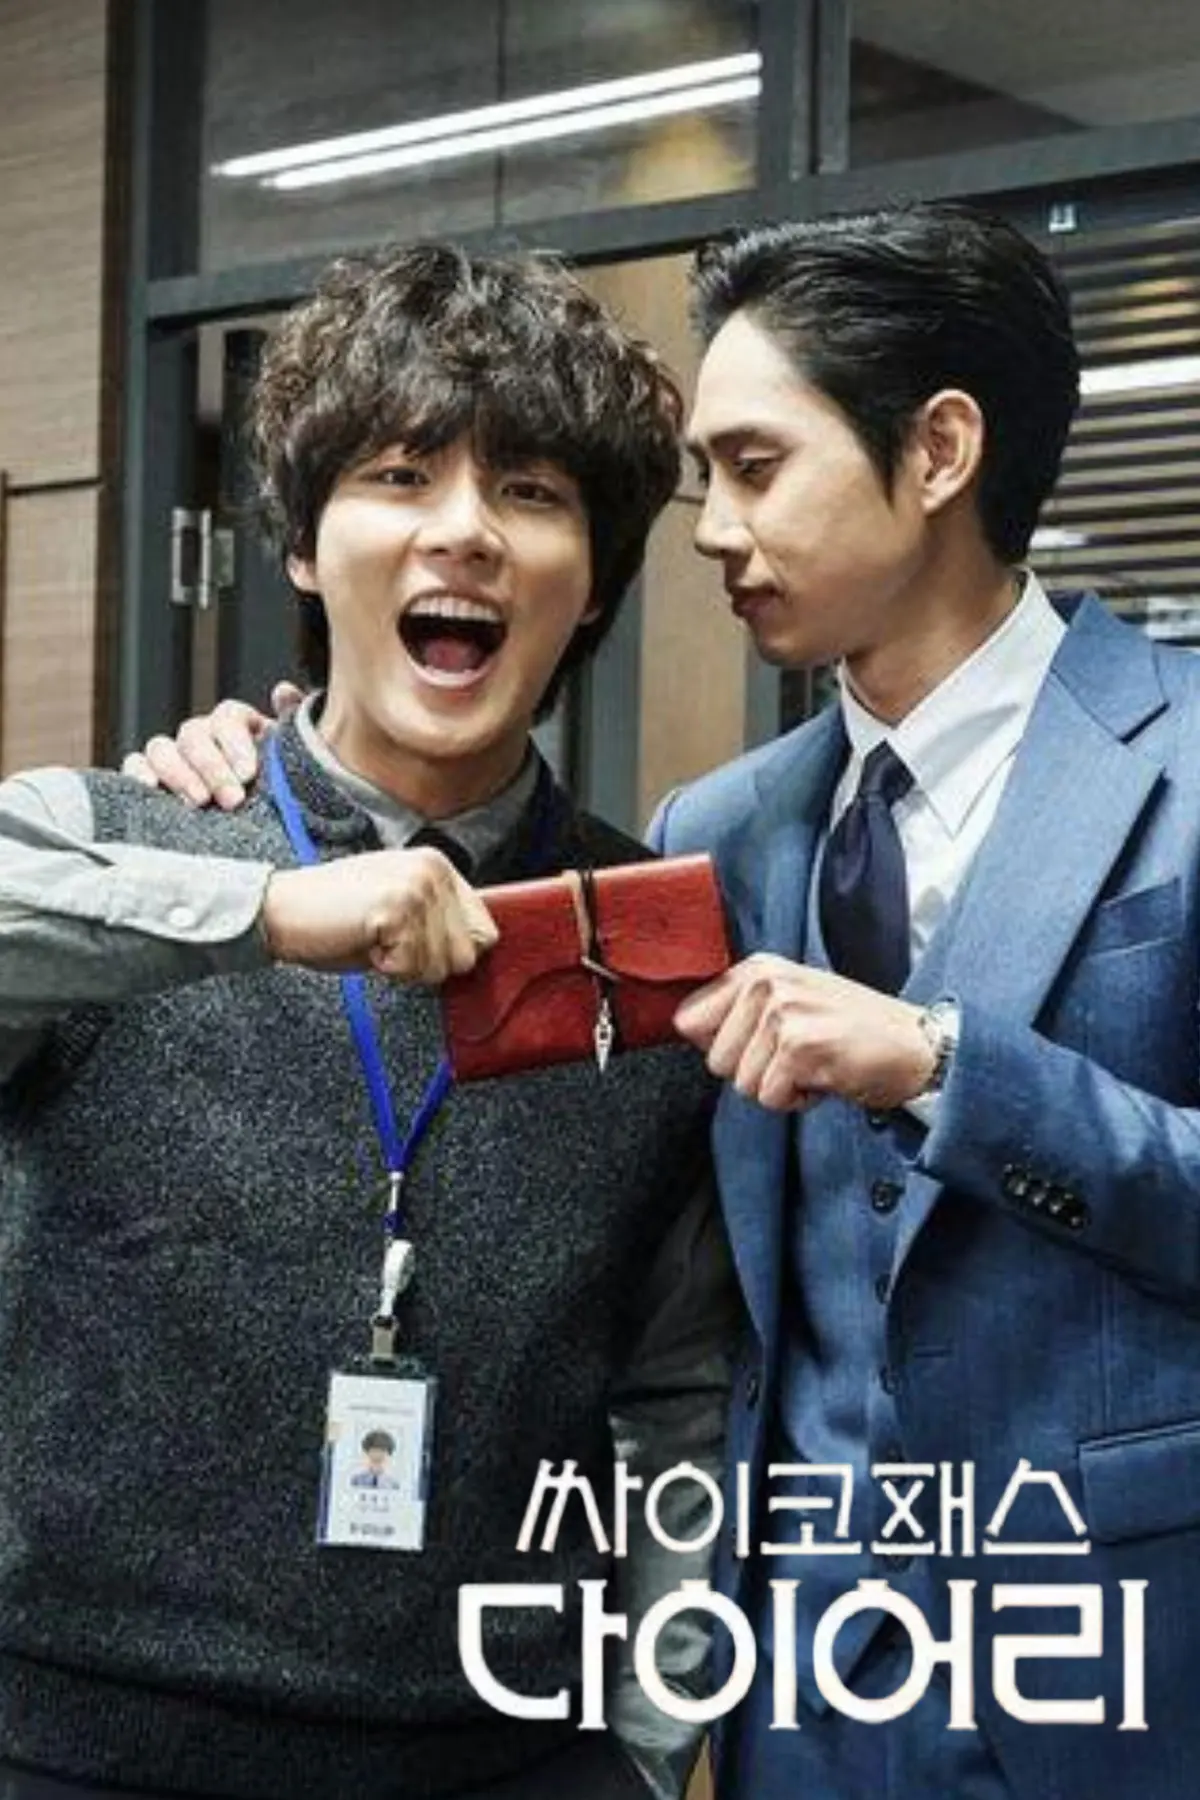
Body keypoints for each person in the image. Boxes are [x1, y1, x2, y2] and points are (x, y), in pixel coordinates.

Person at [152, 202, 1200, 1800]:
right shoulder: (715, 835)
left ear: (937, 452)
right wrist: (257, 783)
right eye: (704, 476)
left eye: (756, 468)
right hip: (798, 1703)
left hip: (1121, 1664)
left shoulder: (1185, 759)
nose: (712, 531)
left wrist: (945, 1067)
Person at [0, 244, 738, 1800]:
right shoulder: (114, 842)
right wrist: (260, 912)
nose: (463, 528)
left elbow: (675, 1408)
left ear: (596, 580)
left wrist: (648, 1745)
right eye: (400, 475)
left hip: (503, 1760)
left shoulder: (648, 946)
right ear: (300, 545)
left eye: (531, 492)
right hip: (71, 1743)